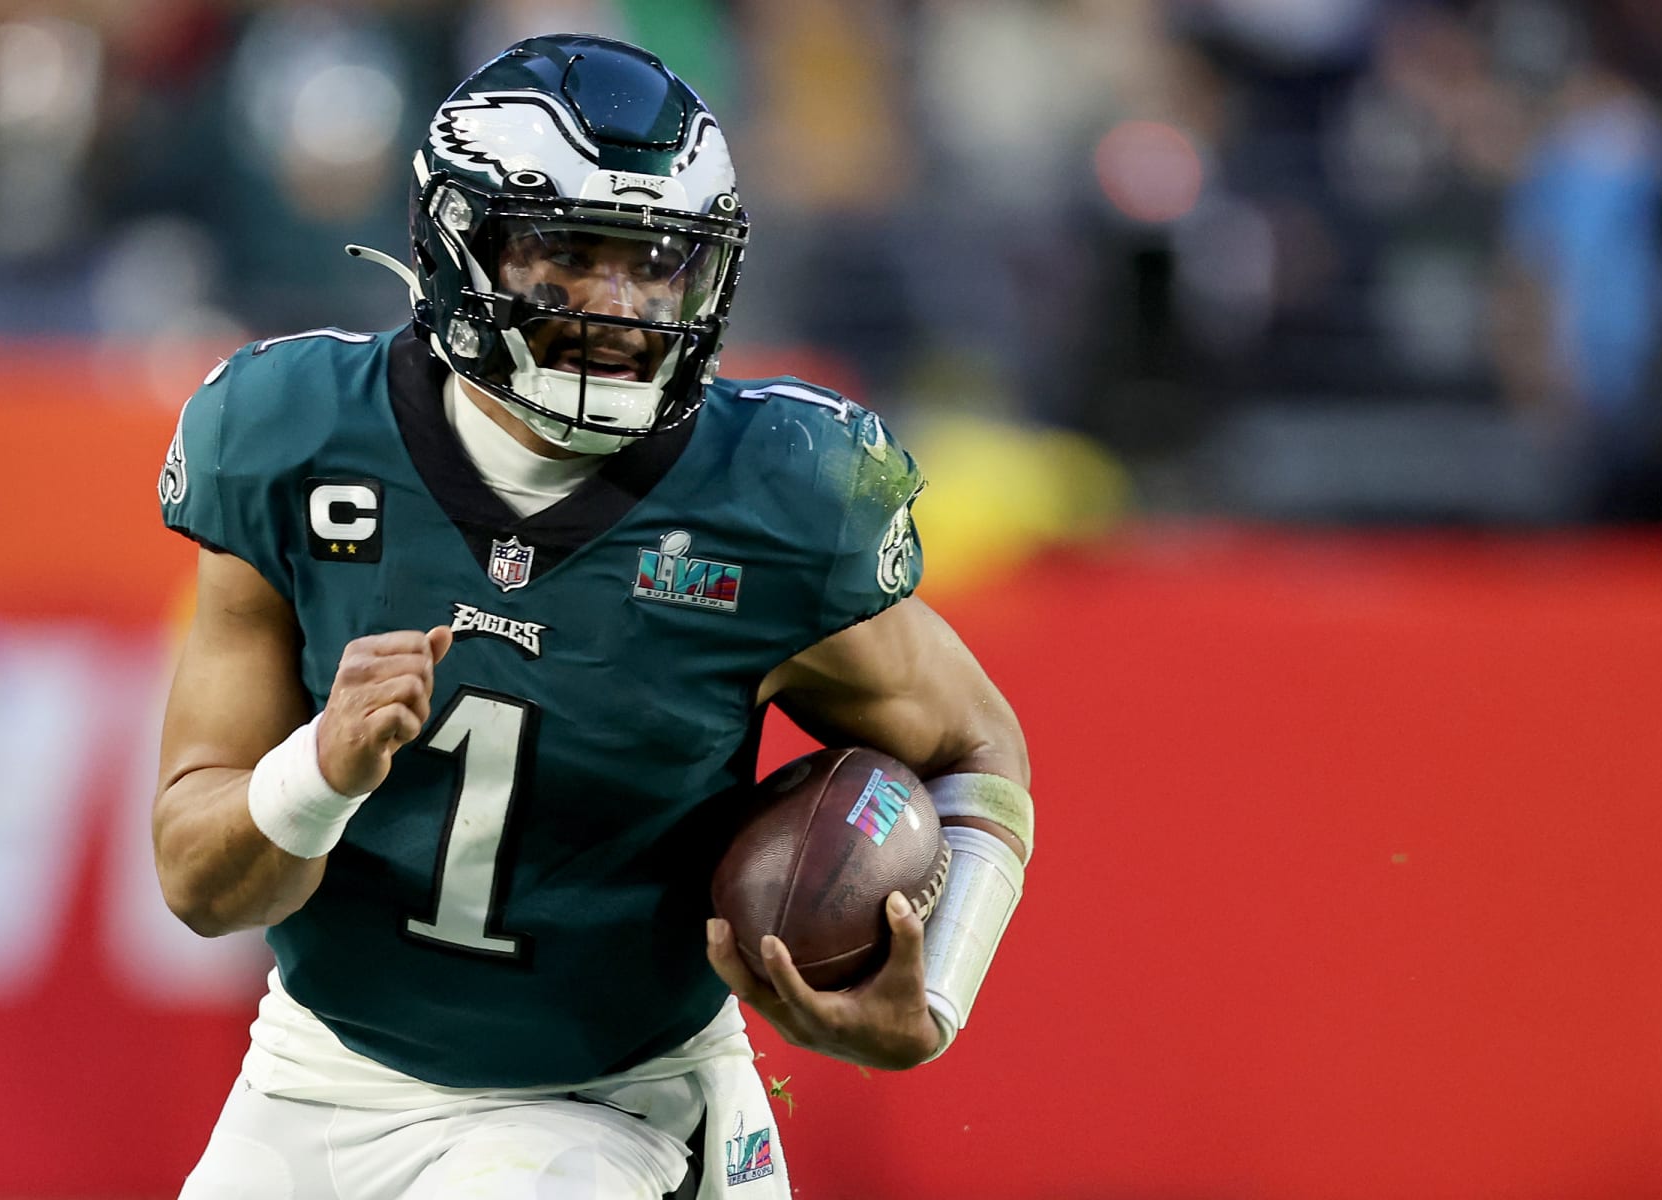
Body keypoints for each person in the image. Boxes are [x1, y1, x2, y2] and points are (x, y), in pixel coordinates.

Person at [152, 33, 1033, 1200]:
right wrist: (320, 769)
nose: (622, 307)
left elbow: (976, 749)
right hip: (320, 1079)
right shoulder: (290, 438)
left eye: (659, 261)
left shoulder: (777, 491)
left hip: (617, 1107)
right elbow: (201, 887)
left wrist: (935, 986)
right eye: (571, 254)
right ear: (459, 243)